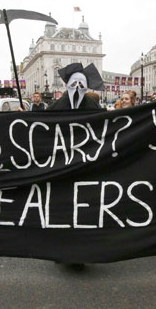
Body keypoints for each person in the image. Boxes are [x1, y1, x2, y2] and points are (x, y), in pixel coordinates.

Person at [46, 63, 104, 270]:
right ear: (67, 85)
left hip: (85, 166)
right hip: (62, 166)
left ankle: (81, 251)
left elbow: (103, 127)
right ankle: (62, 251)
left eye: (82, 83)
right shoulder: (56, 107)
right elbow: (43, 130)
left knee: (84, 209)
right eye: (74, 83)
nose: (78, 87)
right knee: (63, 208)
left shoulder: (92, 105)